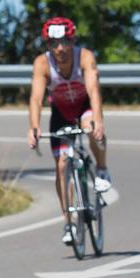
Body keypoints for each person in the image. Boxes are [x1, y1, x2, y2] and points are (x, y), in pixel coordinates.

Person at [25, 16, 114, 247]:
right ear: (48, 45)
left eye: (65, 42)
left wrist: (98, 120)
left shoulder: (84, 57)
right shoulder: (42, 64)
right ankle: (69, 221)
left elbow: (94, 91)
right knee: (62, 164)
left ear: (73, 40)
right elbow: (36, 99)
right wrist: (33, 127)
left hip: (84, 108)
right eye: (54, 44)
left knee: (90, 127)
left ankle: (102, 170)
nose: (61, 48)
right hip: (61, 113)